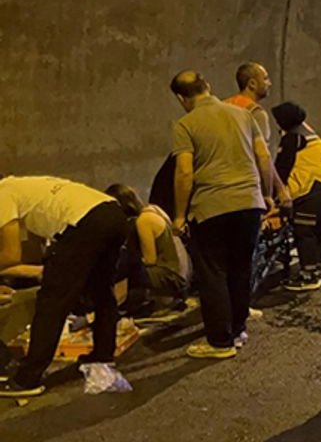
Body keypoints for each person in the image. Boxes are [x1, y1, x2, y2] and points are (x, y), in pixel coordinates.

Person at [170, 70, 274, 360]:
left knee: (213, 272)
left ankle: (219, 341)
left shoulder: (185, 124)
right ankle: (238, 329)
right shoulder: (243, 115)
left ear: (181, 98)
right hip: (249, 203)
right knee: (241, 268)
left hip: (211, 206)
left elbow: (185, 171)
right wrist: (265, 195)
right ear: (209, 86)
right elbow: (263, 158)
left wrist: (179, 215)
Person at [0, 176, 132, 397]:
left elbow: (12, 254)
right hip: (112, 213)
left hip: (85, 224)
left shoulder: (2, 196)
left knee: (52, 301)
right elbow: (39, 241)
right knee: (102, 291)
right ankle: (102, 354)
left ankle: (27, 379)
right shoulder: (24, 186)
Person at [271, 102, 321, 292]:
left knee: (304, 231)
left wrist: (272, 197)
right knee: (320, 228)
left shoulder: (292, 138)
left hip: (313, 191)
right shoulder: (309, 133)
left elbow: (281, 170)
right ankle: (319, 262)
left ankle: (308, 275)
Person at [105, 185, 188, 318]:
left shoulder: (144, 221)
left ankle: (118, 308)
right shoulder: (154, 209)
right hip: (182, 271)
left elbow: (150, 260)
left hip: (172, 276)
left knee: (124, 270)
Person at [225, 62, 291, 210]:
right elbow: (263, 156)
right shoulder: (255, 112)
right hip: (245, 187)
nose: (270, 83)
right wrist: (275, 191)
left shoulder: (225, 106)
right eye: (266, 78)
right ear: (252, 84)